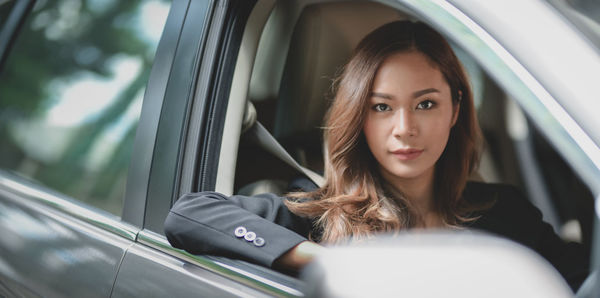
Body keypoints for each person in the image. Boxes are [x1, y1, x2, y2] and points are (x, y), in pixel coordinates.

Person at [164, 21, 589, 291]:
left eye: (425, 104)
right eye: (381, 107)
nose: (405, 128)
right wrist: (327, 261)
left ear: (456, 109)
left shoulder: (508, 212)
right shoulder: (319, 216)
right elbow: (189, 214)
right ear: (360, 117)